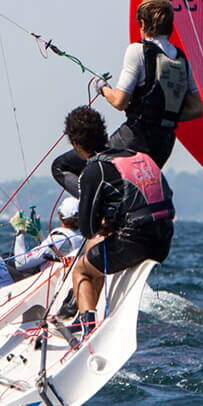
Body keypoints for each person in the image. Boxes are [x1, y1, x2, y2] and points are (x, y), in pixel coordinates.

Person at [69, 124, 175, 334]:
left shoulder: (94, 169)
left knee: (81, 269)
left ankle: (87, 327)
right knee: (95, 250)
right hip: (163, 240)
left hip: (136, 244)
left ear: (77, 145)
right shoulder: (139, 156)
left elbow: (87, 229)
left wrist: (103, 224)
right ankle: (84, 313)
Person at [100, 0, 203, 167]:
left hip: (135, 136)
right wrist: (162, 115)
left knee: (72, 165)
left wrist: (102, 87)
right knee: (140, 186)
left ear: (142, 22)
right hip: (164, 143)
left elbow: (119, 101)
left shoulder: (137, 50)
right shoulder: (181, 59)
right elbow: (196, 109)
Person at [11, 194, 85, 278]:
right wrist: (39, 236)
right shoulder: (85, 236)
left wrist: (19, 232)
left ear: (60, 216)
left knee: (6, 261)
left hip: (49, 284)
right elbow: (51, 252)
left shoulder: (59, 239)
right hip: (68, 278)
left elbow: (21, 263)